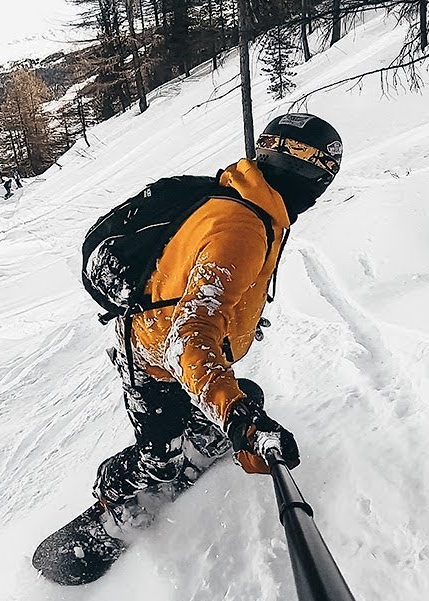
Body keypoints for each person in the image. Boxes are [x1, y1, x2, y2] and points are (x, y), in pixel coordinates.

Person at [91, 113, 343, 527]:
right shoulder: (242, 227)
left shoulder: (249, 202)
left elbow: (211, 291)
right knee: (160, 460)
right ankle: (110, 493)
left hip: (170, 342)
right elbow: (186, 340)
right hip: (154, 360)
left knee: (235, 394)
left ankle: (196, 422)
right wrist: (237, 418)